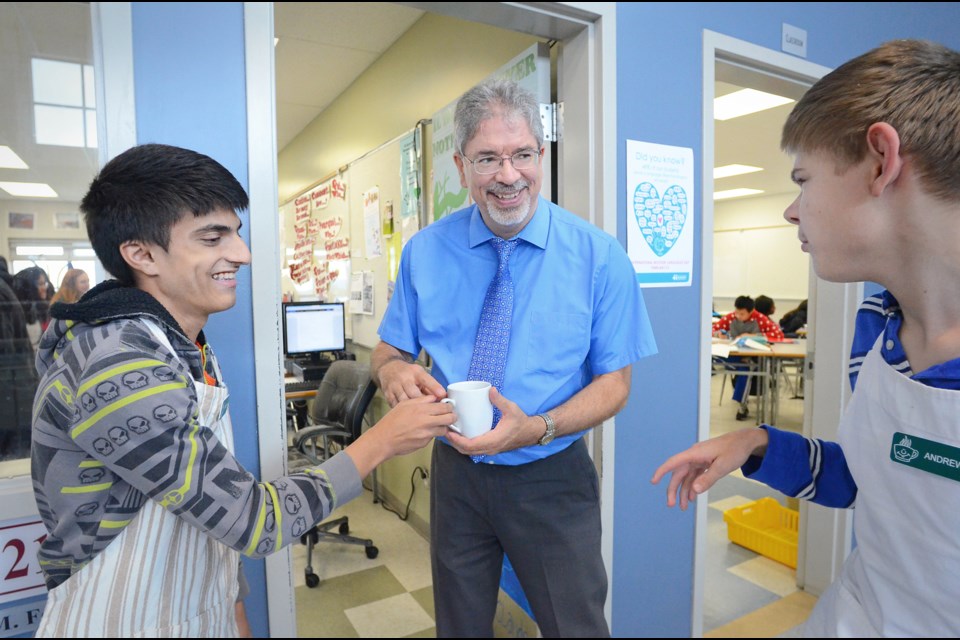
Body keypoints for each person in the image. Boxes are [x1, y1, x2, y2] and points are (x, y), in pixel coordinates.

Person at [30, 143, 455, 638]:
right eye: (213, 238)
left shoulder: (180, 343)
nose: (242, 254)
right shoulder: (117, 364)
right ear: (141, 253)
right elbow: (257, 520)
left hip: (192, 606)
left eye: (236, 233)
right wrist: (384, 439)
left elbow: (203, 499)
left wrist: (230, 608)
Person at [652, 39, 960, 637]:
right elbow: (878, 482)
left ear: (880, 161)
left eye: (803, 179)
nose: (793, 211)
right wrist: (759, 443)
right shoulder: (876, 326)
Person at [371, 78, 657, 638]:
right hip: (457, 473)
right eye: (487, 159)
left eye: (522, 154)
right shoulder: (424, 252)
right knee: (460, 624)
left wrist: (537, 428)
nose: (508, 175)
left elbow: (615, 385)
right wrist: (393, 370)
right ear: (460, 166)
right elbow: (389, 350)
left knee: (573, 625)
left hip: (552, 477)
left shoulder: (599, 258)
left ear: (541, 155)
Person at [713, 295, 784, 420]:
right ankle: (742, 405)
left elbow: (778, 334)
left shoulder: (760, 319)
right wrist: (719, 334)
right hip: (732, 354)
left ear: (751, 312)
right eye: (737, 312)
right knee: (746, 368)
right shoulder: (730, 318)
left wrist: (753, 336)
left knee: (747, 369)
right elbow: (713, 329)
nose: (738, 316)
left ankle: (742, 405)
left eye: (742, 314)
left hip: (752, 357)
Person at [12, 265, 52, 345]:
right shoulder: (20, 311)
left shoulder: (44, 307)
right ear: (29, 287)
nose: (44, 288)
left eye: (45, 283)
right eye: (40, 284)